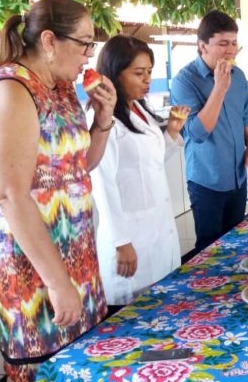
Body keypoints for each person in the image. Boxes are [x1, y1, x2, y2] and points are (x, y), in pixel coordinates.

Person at [0, 0, 116, 381]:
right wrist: (56, 281)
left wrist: (102, 120)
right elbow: (10, 194)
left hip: (75, 251)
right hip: (31, 261)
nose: (89, 54)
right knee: (44, 365)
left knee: (84, 360)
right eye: (84, 43)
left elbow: (79, 167)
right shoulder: (11, 90)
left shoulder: (62, 88)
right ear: (49, 40)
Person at [90, 35, 188, 308]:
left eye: (149, 72)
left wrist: (171, 132)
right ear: (114, 74)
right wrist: (121, 241)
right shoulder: (103, 119)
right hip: (130, 236)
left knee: (159, 309)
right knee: (132, 320)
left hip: (156, 228)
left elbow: (150, 164)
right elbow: (102, 181)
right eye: (138, 73)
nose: (147, 80)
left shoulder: (139, 111)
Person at [171, 10, 248, 258]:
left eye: (233, 43)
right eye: (223, 44)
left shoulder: (238, 76)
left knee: (236, 245)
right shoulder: (184, 82)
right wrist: (219, 88)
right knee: (210, 251)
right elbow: (197, 132)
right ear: (202, 46)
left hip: (237, 178)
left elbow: (245, 114)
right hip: (206, 181)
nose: (230, 50)